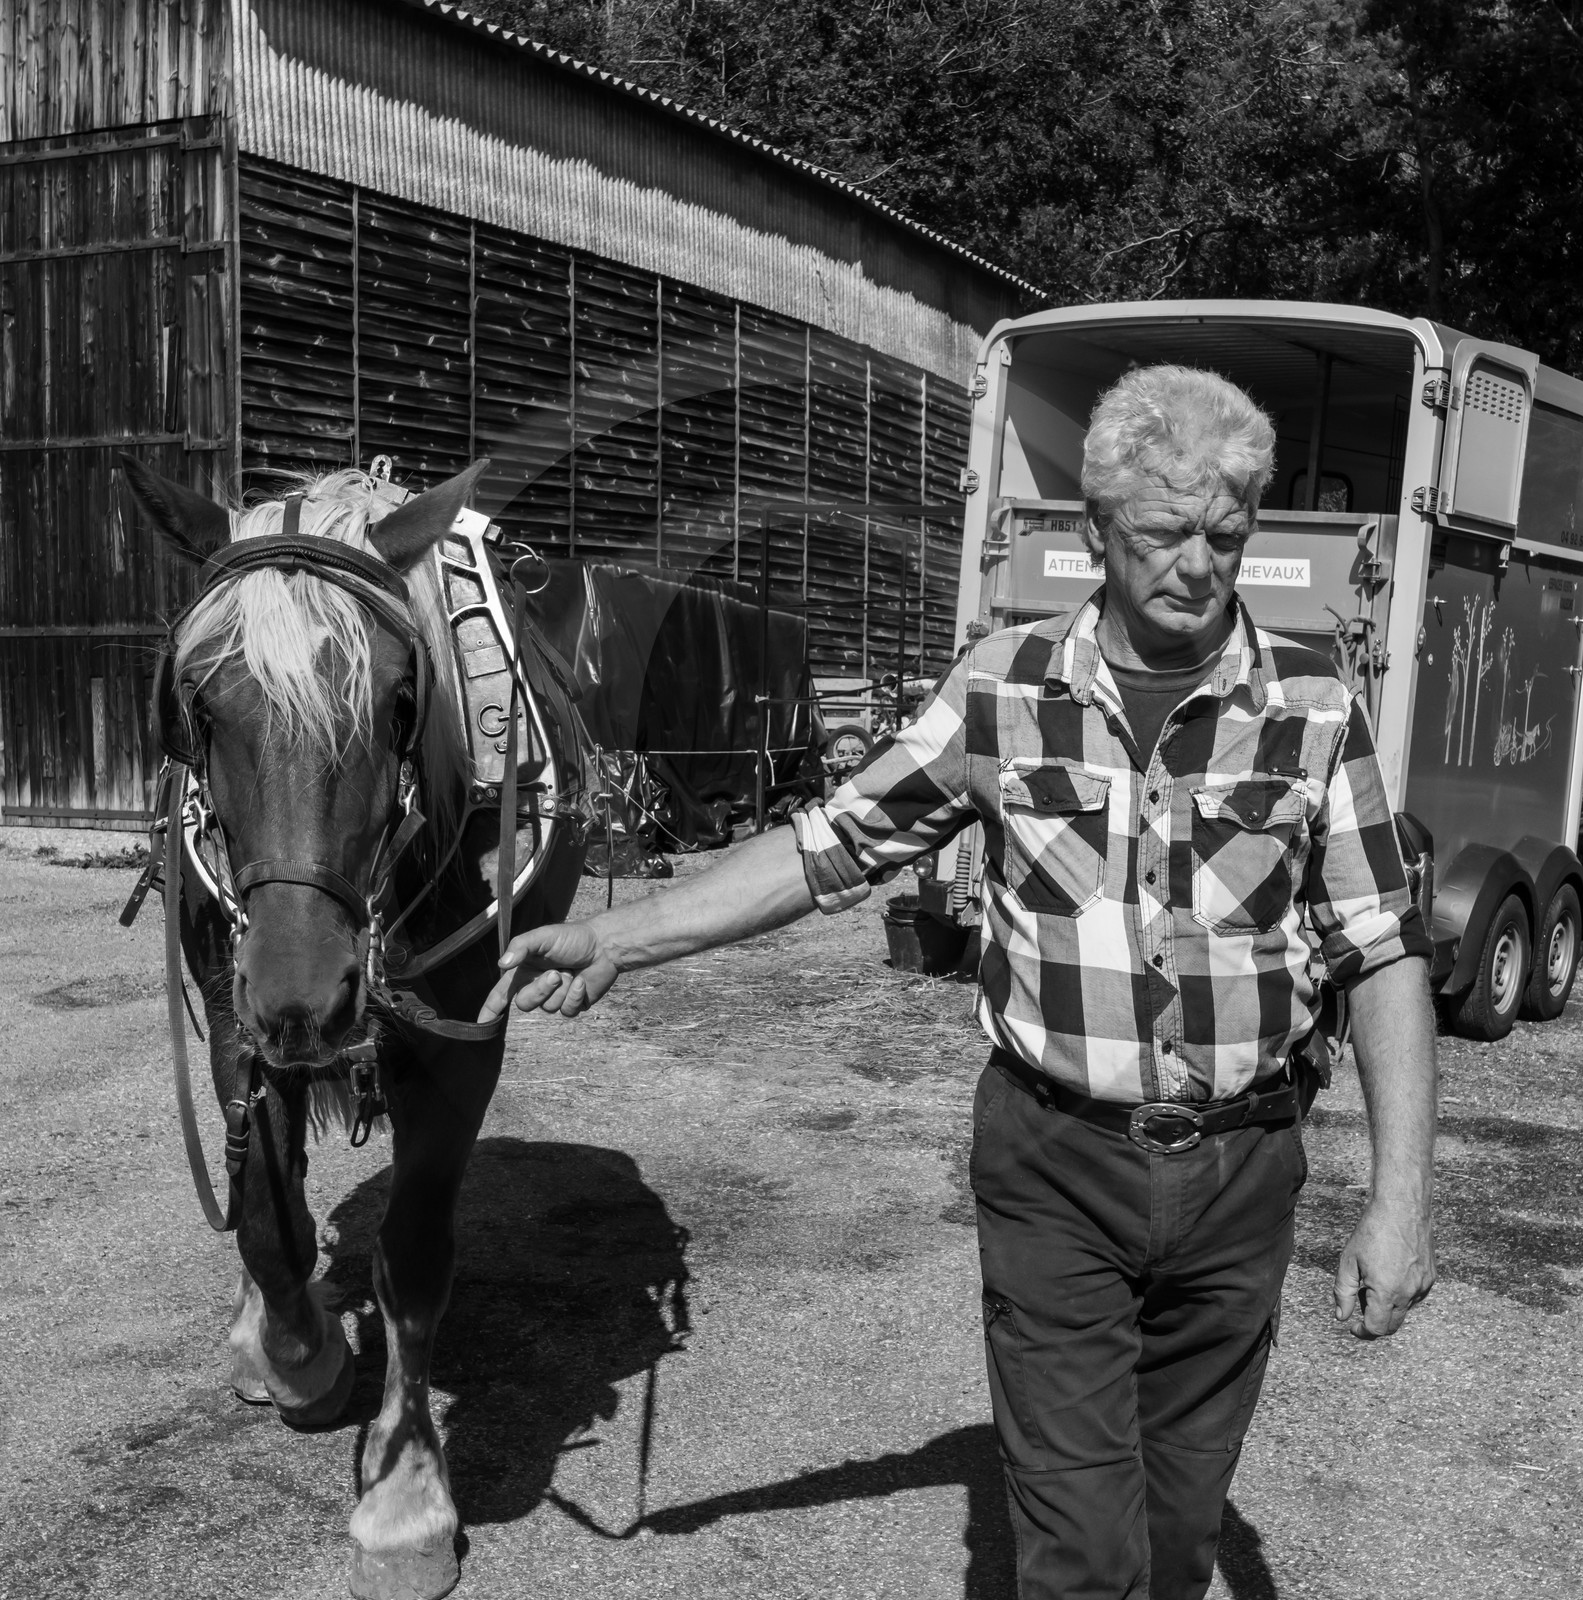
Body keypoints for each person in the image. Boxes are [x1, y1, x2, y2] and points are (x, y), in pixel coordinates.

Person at [479, 364, 1437, 1599]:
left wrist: (1400, 1196)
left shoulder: (1314, 703)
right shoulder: (1000, 686)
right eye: (1160, 533)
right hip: (1055, 1170)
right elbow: (830, 846)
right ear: (1096, 532)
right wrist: (623, 938)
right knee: (1086, 1557)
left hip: (1244, 1174)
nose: (1195, 565)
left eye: (1224, 533)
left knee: (1181, 1531)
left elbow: (1379, 948)